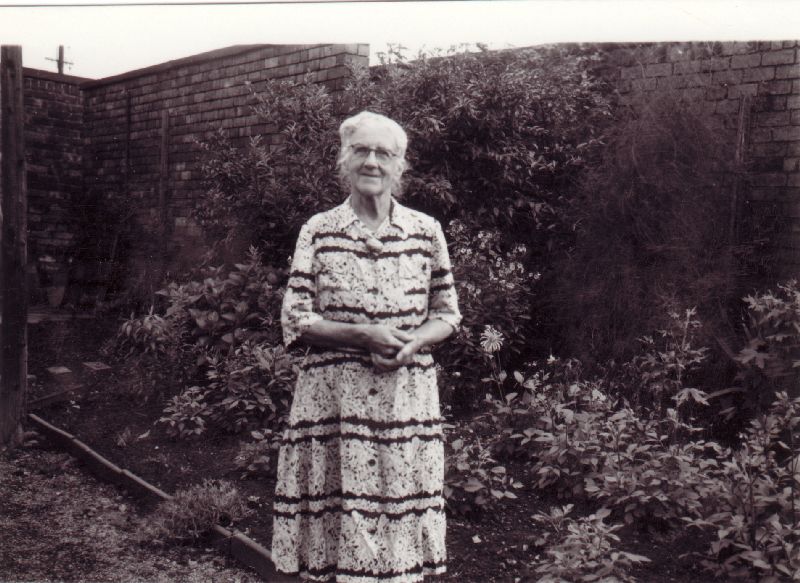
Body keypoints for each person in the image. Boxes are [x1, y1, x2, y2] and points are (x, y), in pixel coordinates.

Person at [271, 111, 462, 582]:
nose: (372, 161)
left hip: (405, 402)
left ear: (400, 166)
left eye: (384, 153)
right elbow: (296, 318)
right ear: (344, 160)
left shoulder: (425, 231)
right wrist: (364, 335)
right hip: (333, 401)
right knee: (336, 515)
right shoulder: (319, 230)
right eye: (361, 150)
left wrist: (413, 342)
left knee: (398, 515)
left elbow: (447, 314)